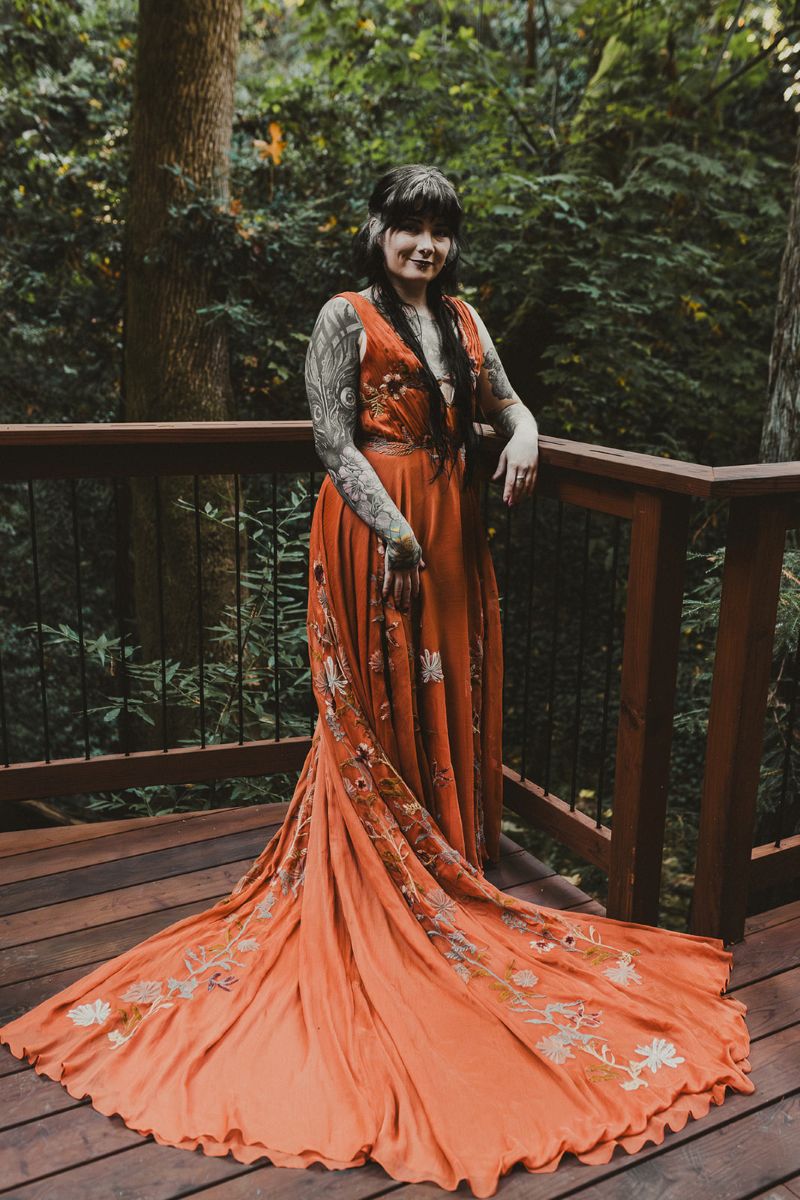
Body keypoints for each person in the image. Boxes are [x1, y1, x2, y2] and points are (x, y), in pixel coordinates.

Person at [0, 164, 753, 1198]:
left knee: (446, 687)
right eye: (408, 228)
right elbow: (327, 437)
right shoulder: (342, 315)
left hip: (450, 529)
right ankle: (388, 872)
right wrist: (390, 527)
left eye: (439, 230)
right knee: (380, 696)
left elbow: (504, 402)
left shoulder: (463, 318)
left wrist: (526, 431)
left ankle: (443, 858)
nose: (424, 246)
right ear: (376, 232)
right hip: (377, 533)